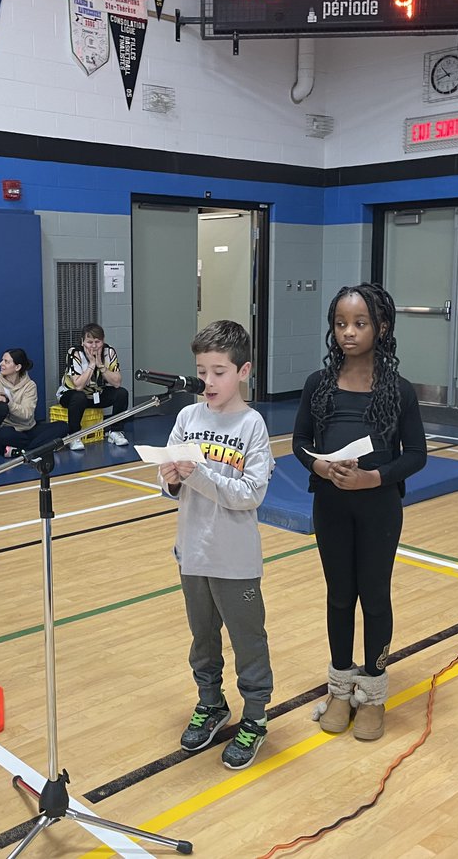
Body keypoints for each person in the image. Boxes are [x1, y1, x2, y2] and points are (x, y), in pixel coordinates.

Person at [292, 283, 426, 742]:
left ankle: (372, 694)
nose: (348, 333)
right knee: (338, 596)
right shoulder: (318, 385)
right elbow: (299, 443)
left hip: (378, 509)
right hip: (329, 505)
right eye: (341, 324)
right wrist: (320, 465)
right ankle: (340, 688)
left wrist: (375, 478)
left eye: (360, 324)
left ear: (381, 327)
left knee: (375, 596)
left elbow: (416, 455)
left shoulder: (398, 391)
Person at [158, 320, 274, 771]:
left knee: (248, 642)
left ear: (242, 371)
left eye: (219, 371)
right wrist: (169, 479)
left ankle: (256, 717)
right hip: (192, 552)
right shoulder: (187, 417)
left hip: (235, 559)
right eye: (202, 370)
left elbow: (250, 494)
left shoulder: (252, 425)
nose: (208, 381)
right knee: (202, 641)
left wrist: (198, 474)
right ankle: (211, 703)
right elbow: (168, 479)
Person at [55, 322, 129, 451]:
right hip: (71, 394)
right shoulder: (74, 353)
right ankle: (74, 436)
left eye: (97, 341)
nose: (94, 346)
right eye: (90, 342)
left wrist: (100, 364)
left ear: (103, 340)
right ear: (82, 341)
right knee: (79, 396)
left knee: (122, 393)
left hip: (96, 393)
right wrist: (92, 364)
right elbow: (78, 385)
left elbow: (117, 382)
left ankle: (115, 432)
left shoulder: (109, 352)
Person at [0, 348, 68, 457]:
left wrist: (7, 402)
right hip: (7, 430)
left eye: (6, 361)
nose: (1, 364)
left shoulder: (30, 385)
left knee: (63, 426)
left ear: (17, 367)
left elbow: (27, 414)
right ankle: (38, 448)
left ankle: (21, 450)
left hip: (28, 429)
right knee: (1, 436)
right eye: (2, 360)